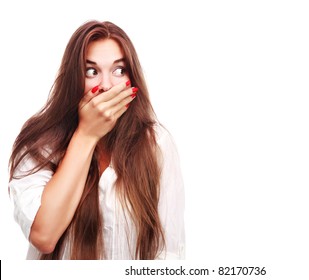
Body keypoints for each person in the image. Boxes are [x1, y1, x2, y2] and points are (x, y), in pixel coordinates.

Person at [8, 20, 185, 260]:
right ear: (73, 78)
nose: (106, 86)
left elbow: (168, 253)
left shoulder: (156, 143)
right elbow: (44, 236)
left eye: (119, 70)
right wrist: (86, 134)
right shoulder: (41, 143)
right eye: (91, 71)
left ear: (132, 78)